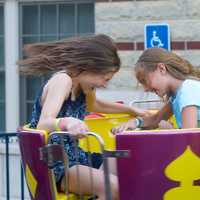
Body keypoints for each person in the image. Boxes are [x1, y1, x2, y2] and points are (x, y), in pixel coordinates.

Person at [18, 34, 147, 200]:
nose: (104, 84)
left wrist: (130, 110)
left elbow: (96, 106)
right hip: (57, 164)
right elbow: (43, 123)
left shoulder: (85, 88)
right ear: (90, 67)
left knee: (123, 161)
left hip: (78, 157)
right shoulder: (63, 80)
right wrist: (68, 123)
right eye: (105, 78)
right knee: (113, 187)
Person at [112, 47, 200, 134]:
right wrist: (135, 122)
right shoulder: (177, 94)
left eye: (144, 80)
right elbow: (156, 120)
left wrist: (170, 131)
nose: (146, 89)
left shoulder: (187, 91)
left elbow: (190, 138)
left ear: (162, 69)